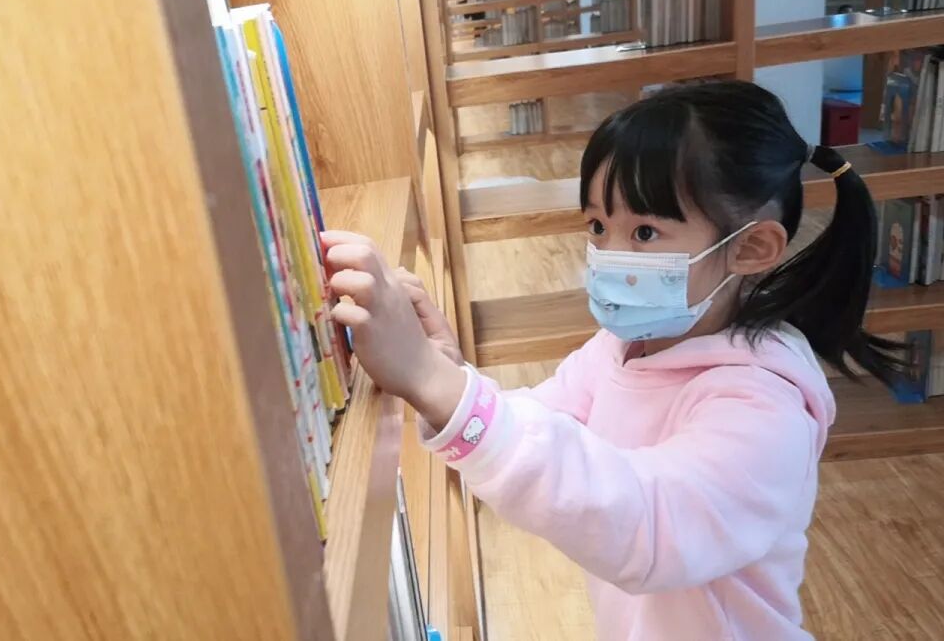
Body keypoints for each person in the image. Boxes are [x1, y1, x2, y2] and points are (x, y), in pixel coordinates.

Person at [323, 80, 903, 640]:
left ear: (750, 248)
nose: (608, 253)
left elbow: (649, 529)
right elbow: (541, 426)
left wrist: (435, 382)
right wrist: (447, 376)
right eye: (598, 226)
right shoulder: (625, 346)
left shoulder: (763, 406)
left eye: (645, 232)